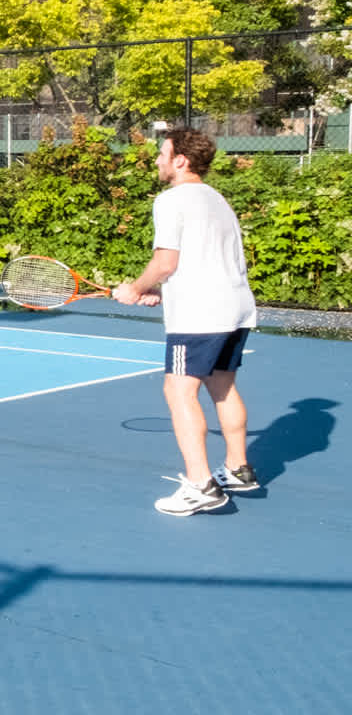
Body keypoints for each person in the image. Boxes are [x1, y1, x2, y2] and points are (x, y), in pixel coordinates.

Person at [113, 128, 258, 517]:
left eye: (163, 154)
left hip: (200, 315)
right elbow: (207, 260)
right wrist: (159, 292)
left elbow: (166, 263)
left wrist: (134, 287)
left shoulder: (170, 200)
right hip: (235, 307)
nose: (157, 160)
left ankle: (200, 485)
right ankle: (238, 469)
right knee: (223, 386)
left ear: (180, 160)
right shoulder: (217, 200)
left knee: (179, 392)